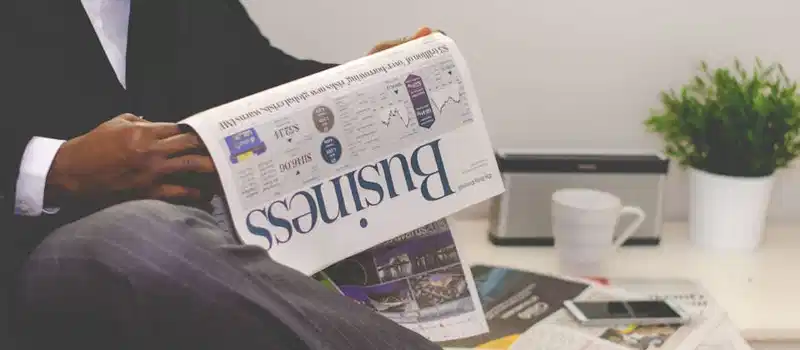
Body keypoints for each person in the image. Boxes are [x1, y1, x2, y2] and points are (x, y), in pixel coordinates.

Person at [1, 1, 442, 349]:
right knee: (140, 233)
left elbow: (259, 84)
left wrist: (363, 81)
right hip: (31, 257)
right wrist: (54, 169)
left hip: (195, 249)